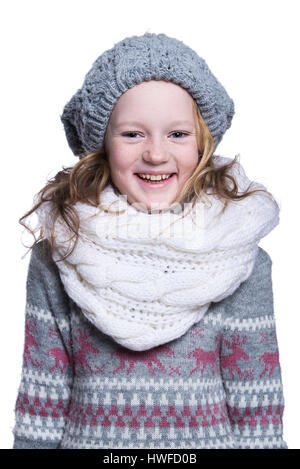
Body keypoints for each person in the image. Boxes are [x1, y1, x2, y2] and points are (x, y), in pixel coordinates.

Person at [12, 32, 288, 449]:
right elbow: (42, 401)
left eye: (177, 134)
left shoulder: (239, 255)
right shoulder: (61, 252)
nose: (156, 154)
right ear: (101, 143)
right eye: (132, 134)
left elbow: (257, 410)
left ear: (203, 142)